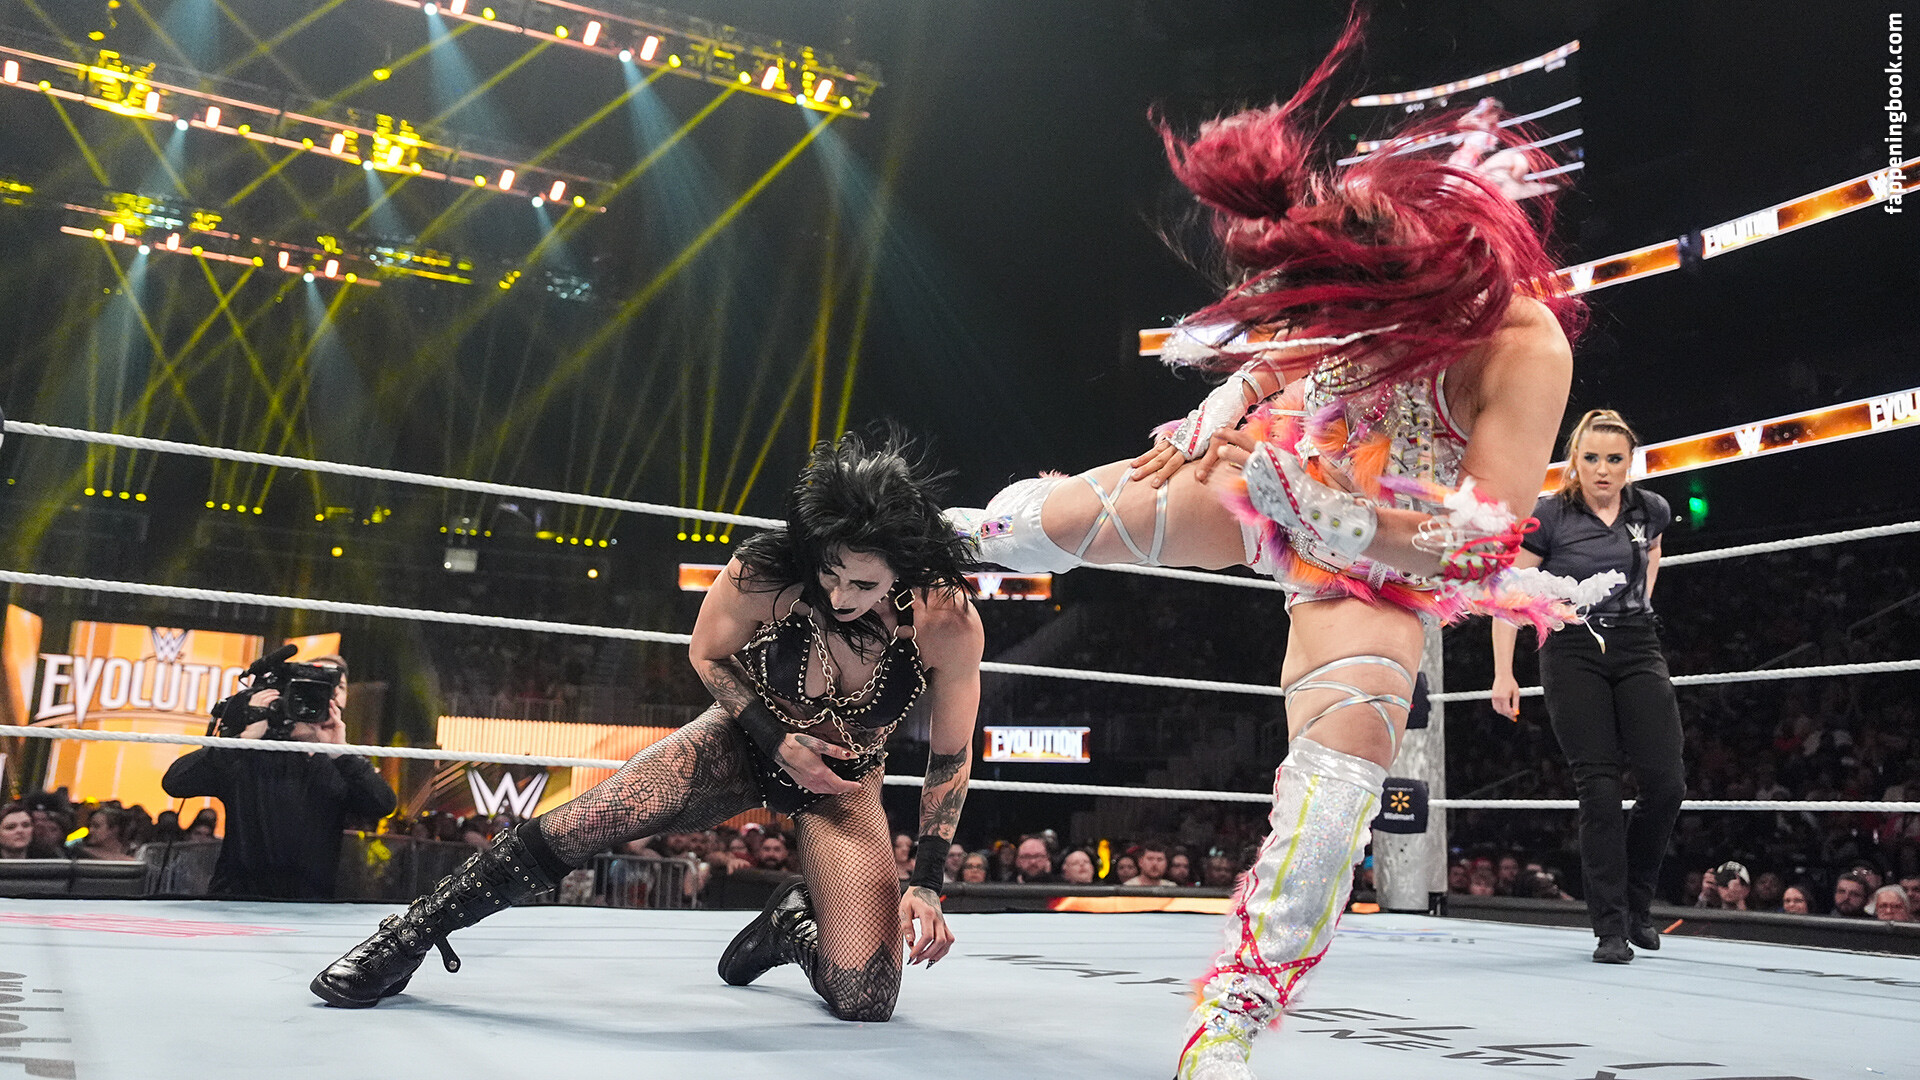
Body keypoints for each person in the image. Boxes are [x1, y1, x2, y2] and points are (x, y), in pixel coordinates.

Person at [947, 12, 1601, 1077]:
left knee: (1340, 787)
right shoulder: (1359, 262)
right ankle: (911, 538)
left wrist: (1342, 522)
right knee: (1054, 523)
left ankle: (1230, 1024)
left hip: (1381, 564)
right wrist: (1238, 392)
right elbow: (1295, 332)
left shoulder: (1521, 346)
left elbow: (1481, 544)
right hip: (1273, 471)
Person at [312, 431, 986, 1025]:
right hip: (743, 740)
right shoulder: (768, 572)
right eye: (830, 573)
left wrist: (927, 881)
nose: (840, 597)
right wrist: (775, 739)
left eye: (863, 585)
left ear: (903, 571)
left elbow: (951, 758)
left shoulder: (946, 621)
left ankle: (789, 928)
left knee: (866, 1000)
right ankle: (406, 938)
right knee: (591, 818)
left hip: (842, 780)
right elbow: (707, 653)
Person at [1492, 409, 1684, 964]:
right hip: (1571, 646)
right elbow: (1510, 592)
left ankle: (1637, 904)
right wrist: (1503, 670)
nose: (1602, 469)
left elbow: (1652, 553)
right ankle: (1610, 927)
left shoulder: (1651, 509)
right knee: (1598, 787)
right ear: (1575, 460)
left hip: (1637, 643)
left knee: (1666, 784)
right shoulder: (1549, 515)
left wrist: (1640, 603)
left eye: (1614, 459)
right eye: (1592, 458)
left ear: (1630, 462)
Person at [162, 655, 393, 897]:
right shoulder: (250, 753)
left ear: (343, 699)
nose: (328, 692)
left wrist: (341, 754)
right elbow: (176, 783)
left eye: (338, 686)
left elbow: (383, 805)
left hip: (311, 907)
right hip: (236, 903)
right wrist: (244, 739)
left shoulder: (342, 765)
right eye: (313, 683)